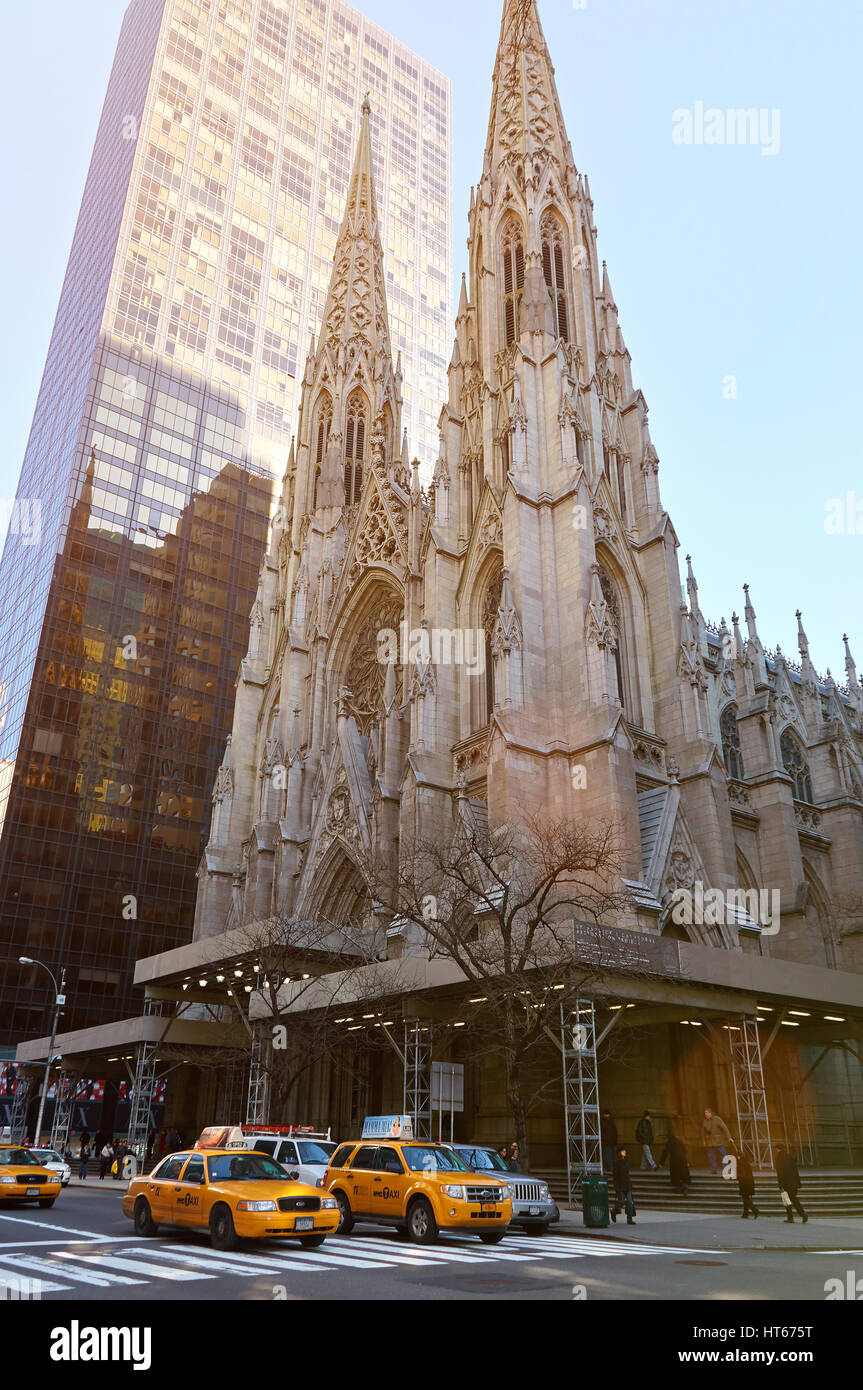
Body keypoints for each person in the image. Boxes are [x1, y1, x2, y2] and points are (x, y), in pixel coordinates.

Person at [775, 1145, 807, 1224]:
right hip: (793, 1184)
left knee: (786, 1200)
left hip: (785, 1184)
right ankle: (803, 1214)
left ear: (778, 1149)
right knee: (794, 1199)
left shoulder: (779, 1158)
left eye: (776, 1149)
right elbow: (795, 1171)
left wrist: (780, 1184)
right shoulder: (789, 1157)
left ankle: (790, 1217)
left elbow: (781, 1173)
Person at [702, 1108, 733, 1175]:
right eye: (705, 1113)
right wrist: (704, 1140)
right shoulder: (705, 1121)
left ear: (710, 1113)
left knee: (723, 1155)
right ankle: (714, 1169)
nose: (705, 1114)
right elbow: (703, 1132)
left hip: (719, 1141)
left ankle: (725, 1169)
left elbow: (725, 1128)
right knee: (711, 1156)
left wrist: (729, 1137)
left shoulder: (717, 1119)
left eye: (706, 1113)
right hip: (710, 1141)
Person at [660, 1128, 691, 1194]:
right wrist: (687, 1160)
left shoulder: (668, 1143)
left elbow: (665, 1153)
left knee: (676, 1174)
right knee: (684, 1173)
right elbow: (685, 1150)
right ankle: (685, 1187)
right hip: (682, 1159)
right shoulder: (679, 1141)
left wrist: (661, 1163)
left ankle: (678, 1187)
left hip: (674, 1160)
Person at [611, 1146, 636, 1225]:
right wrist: (617, 1188)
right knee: (621, 1202)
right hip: (620, 1186)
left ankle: (629, 1219)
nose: (624, 1152)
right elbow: (615, 1176)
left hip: (627, 1185)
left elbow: (627, 1174)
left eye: (625, 1151)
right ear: (619, 1153)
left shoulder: (626, 1162)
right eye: (623, 1151)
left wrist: (630, 1184)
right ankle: (614, 1211)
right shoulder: (616, 1163)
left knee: (630, 1202)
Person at [736, 1150, 759, 1218]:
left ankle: (755, 1210)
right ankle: (745, 1213)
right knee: (746, 1198)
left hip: (744, 1183)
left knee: (745, 1199)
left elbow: (741, 1174)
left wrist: (737, 1177)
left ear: (739, 1156)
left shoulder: (740, 1163)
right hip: (749, 1183)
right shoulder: (746, 1163)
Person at [600, 1110, 618, 1174]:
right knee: (609, 1155)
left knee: (612, 1155)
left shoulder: (609, 1121)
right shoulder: (605, 1122)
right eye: (607, 1114)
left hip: (611, 1141)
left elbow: (615, 1131)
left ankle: (612, 1167)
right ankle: (610, 1167)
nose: (607, 1116)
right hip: (608, 1141)